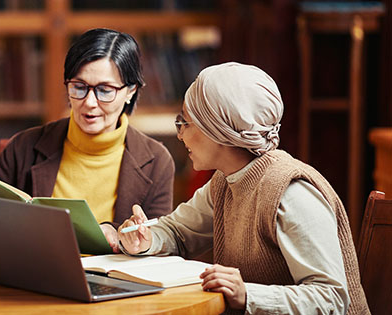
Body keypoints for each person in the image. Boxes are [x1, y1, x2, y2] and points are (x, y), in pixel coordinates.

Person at [117, 62, 369, 314]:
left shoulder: (291, 193)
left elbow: (332, 299)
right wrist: (146, 240)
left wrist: (248, 295)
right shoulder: (225, 182)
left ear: (218, 130)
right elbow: (178, 232)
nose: (180, 135)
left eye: (186, 123)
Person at [0, 28, 175, 252]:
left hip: (120, 286)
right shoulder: (26, 146)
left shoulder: (156, 162)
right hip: (38, 276)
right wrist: (20, 221)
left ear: (130, 91)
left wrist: (119, 234)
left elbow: (161, 244)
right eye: (79, 87)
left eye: (105, 90)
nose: (89, 102)